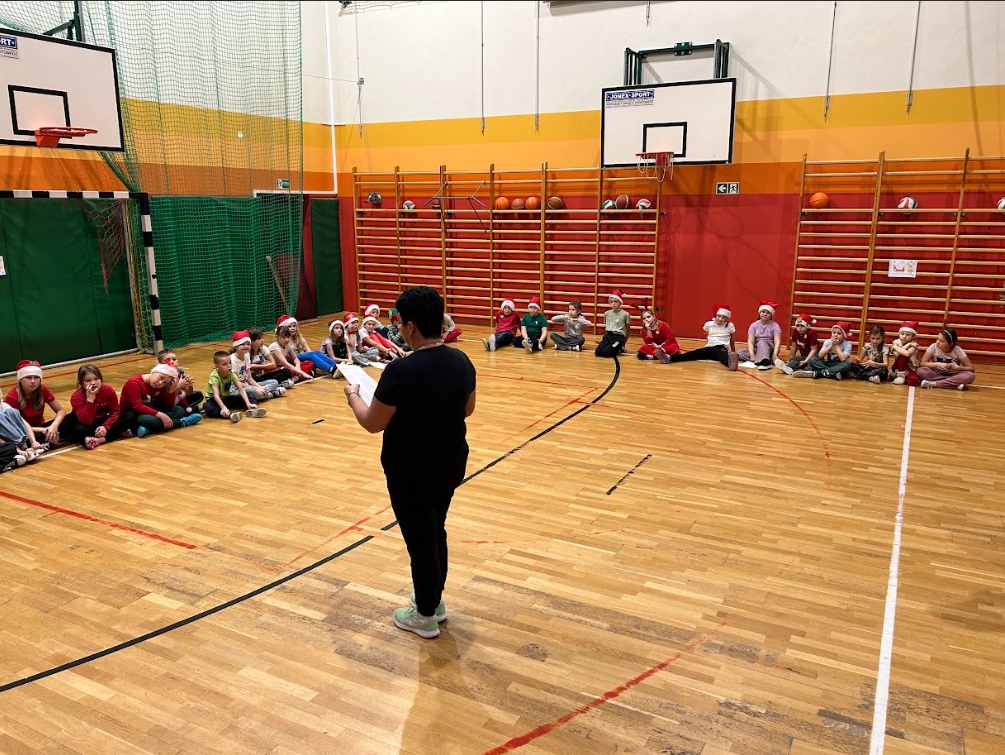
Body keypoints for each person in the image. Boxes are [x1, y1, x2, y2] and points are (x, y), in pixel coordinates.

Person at [344, 286, 476, 640]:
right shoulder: (462, 361)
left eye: (401, 322)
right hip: (451, 463)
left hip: (411, 471)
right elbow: (468, 409)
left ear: (411, 326)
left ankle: (425, 615)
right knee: (435, 530)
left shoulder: (400, 370)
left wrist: (353, 396)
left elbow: (372, 422)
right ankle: (434, 600)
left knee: (420, 541)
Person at [119, 364, 202, 437]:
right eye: (161, 377)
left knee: (178, 410)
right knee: (148, 420)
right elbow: (138, 407)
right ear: (153, 372)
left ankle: (148, 429)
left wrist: (172, 391)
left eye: (164, 382)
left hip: (151, 411)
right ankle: (182, 422)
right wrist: (161, 415)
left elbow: (167, 404)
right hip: (135, 414)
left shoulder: (160, 386)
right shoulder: (134, 383)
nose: (160, 383)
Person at [65, 364, 136, 449]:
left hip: (103, 421)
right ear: (81, 383)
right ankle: (117, 432)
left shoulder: (108, 390)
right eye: (88, 380)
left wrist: (105, 427)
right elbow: (86, 421)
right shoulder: (76, 397)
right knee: (79, 430)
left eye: (96, 379)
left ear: (101, 379)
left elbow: (115, 411)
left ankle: (100, 440)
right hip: (88, 424)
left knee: (130, 415)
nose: (93, 383)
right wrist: (90, 399)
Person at [4, 360, 67, 445]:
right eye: (28, 377)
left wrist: (54, 426)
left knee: (71, 418)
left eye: (36, 377)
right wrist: (43, 430)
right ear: (20, 380)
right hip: (26, 431)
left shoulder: (42, 389)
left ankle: (52, 436)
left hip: (43, 427)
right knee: (30, 438)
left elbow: (61, 411)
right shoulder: (12, 397)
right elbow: (15, 426)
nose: (33, 381)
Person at [669, 305, 740, 370]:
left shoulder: (729, 326)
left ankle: (731, 364)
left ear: (727, 319)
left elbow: (731, 339)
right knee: (692, 354)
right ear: (715, 316)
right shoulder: (709, 324)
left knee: (723, 357)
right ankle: (670, 358)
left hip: (720, 347)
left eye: (723, 317)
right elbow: (708, 335)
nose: (720, 319)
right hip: (709, 348)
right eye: (719, 316)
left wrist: (733, 351)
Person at [205, 351, 267, 421]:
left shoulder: (231, 374)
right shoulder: (214, 377)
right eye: (224, 364)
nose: (229, 365)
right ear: (216, 367)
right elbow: (216, 395)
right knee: (207, 406)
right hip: (214, 400)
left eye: (230, 363)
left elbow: (241, 389)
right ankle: (229, 415)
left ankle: (252, 410)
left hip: (227, 397)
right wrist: (223, 408)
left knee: (249, 394)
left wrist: (248, 403)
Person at [231, 331, 285, 402]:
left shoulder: (246, 356)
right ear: (235, 346)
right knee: (251, 390)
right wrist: (255, 388)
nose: (246, 346)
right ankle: (270, 394)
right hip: (236, 389)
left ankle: (262, 394)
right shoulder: (233, 360)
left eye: (248, 344)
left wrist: (259, 387)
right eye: (242, 344)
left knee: (274, 382)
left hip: (247, 385)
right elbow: (237, 383)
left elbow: (250, 378)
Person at [738, 301, 782, 370]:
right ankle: (763, 359)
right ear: (759, 313)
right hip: (757, 348)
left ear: (771, 315)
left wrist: (775, 354)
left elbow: (777, 342)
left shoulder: (775, 326)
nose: (765, 314)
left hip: (769, 348)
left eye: (768, 313)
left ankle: (765, 363)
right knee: (739, 353)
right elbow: (750, 341)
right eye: (763, 312)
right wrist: (752, 354)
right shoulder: (754, 325)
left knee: (762, 341)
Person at [158, 349, 203, 414]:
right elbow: (166, 401)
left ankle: (186, 409)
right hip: (166, 404)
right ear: (160, 364)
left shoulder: (180, 372)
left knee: (198, 394)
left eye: (174, 359)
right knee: (178, 410)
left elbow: (188, 394)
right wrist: (179, 386)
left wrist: (189, 385)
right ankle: (188, 410)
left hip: (178, 399)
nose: (172, 362)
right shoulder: (160, 376)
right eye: (168, 360)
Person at [595, 288, 630, 358]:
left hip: (618, 337)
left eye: (616, 301)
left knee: (606, 353)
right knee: (598, 352)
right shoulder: (607, 313)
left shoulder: (625, 314)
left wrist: (623, 344)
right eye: (611, 301)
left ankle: (619, 348)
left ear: (620, 302)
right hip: (608, 335)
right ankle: (613, 346)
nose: (613, 303)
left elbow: (627, 330)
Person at [890, 320, 921, 386]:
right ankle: (900, 375)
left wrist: (895, 347)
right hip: (897, 366)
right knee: (902, 356)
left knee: (914, 380)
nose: (904, 336)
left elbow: (907, 354)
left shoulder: (914, 345)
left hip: (910, 367)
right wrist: (908, 345)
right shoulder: (896, 342)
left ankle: (899, 375)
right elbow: (897, 354)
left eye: (908, 335)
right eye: (902, 334)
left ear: (913, 337)